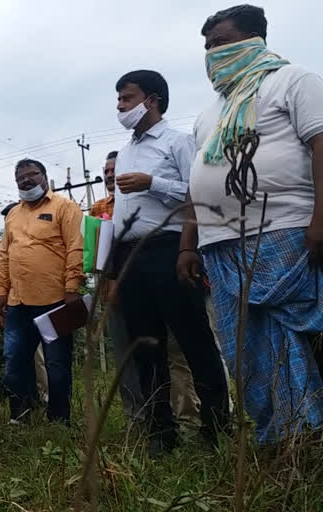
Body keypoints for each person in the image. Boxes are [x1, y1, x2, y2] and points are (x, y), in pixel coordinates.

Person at [179, 4, 323, 443]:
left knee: (302, 340)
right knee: (247, 353)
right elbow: (196, 183)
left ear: (253, 40)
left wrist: (320, 222)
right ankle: (282, 442)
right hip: (220, 247)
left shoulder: (294, 81)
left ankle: (309, 436)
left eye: (220, 42)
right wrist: (187, 244)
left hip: (286, 232)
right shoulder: (211, 114)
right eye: (207, 46)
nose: (211, 54)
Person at [111, 69, 230, 456]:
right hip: (132, 256)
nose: (120, 106)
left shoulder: (179, 142)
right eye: (118, 100)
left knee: (194, 340)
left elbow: (198, 193)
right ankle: (161, 433)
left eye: (127, 98)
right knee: (146, 346)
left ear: (153, 99)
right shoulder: (126, 149)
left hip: (171, 248)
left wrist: (154, 184)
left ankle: (215, 431)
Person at [96, 152, 201, 426]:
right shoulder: (101, 208)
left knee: (181, 350)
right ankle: (149, 422)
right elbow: (101, 250)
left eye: (114, 169)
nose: (110, 174)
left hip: (169, 264)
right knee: (142, 353)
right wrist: (109, 280)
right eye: (106, 170)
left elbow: (191, 201)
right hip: (126, 279)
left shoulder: (151, 192)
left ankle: (192, 418)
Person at [0, 159, 83, 426]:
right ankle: (19, 416)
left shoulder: (65, 207)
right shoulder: (13, 215)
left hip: (55, 300)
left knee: (56, 365)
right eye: (20, 177)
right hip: (18, 302)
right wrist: (0, 290)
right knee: (15, 364)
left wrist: (72, 288)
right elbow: (5, 255)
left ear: (44, 177)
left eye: (31, 175)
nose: (26, 181)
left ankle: (59, 420)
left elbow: (76, 248)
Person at [0, 202, 48, 406]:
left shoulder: (36, 239)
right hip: (13, 307)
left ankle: (43, 397)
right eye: (6, 217)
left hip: (38, 302)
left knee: (38, 356)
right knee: (14, 356)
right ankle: (20, 400)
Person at [89, 151, 117, 219]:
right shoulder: (97, 207)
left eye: (114, 170)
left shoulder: (138, 202)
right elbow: (90, 229)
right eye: (106, 172)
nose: (109, 175)